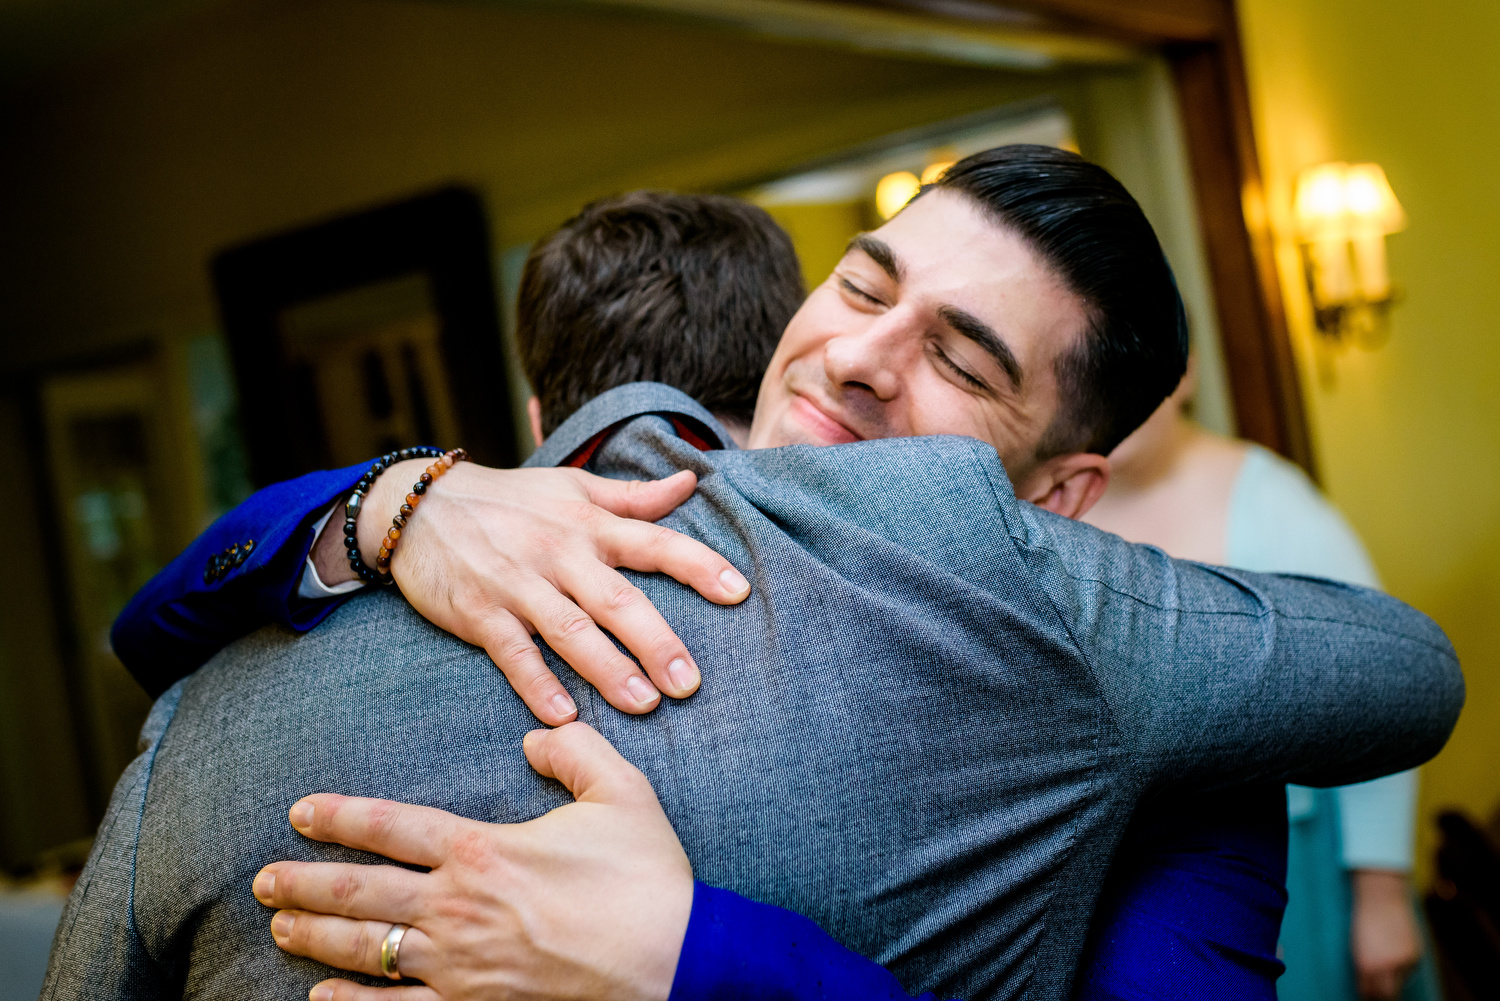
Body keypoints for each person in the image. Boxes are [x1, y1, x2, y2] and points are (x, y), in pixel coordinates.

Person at [45, 149, 1462, 1001]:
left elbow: (1408, 670)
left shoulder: (1118, 681)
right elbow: (158, 621)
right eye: (860, 284)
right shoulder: (395, 560)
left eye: (960, 358)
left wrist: (683, 957)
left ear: (1061, 499)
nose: (855, 353)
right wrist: (393, 499)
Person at [1082, 369, 1441, 1001]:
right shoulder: (1060, 503)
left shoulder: (1273, 501)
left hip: (1297, 866)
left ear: (1185, 371)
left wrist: (1381, 894)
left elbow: (1378, 694)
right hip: (1140, 878)